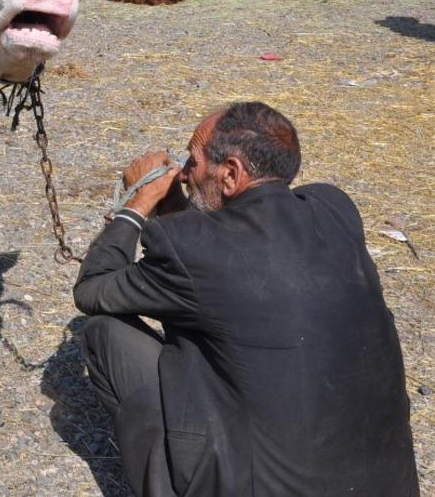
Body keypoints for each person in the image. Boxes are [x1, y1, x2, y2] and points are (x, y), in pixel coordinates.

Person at [74, 101, 420, 497]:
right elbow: (234, 259)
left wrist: (137, 206)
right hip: (385, 486)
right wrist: (180, 216)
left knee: (106, 331)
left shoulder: (190, 248)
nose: (185, 173)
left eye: (194, 160)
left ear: (232, 173)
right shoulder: (334, 209)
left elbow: (93, 289)